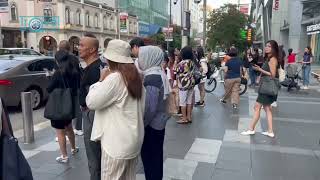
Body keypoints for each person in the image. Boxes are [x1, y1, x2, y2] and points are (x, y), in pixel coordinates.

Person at [86, 39, 145, 180]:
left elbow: (91, 102)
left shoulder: (115, 79)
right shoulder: (136, 78)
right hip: (133, 140)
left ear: (111, 59)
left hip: (116, 144)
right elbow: (142, 108)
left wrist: (100, 81)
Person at [137, 46, 170, 180]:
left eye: (141, 57)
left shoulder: (152, 78)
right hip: (159, 122)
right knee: (156, 157)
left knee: (150, 159)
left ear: (149, 58)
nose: (139, 60)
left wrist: (142, 124)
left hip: (152, 125)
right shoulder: (159, 72)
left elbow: (150, 108)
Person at [241, 40, 280, 138]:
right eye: (266, 46)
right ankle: (270, 131)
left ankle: (251, 129)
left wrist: (260, 70)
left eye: (269, 46)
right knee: (267, 109)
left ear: (273, 48)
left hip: (267, 88)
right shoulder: (269, 58)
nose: (266, 48)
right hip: (266, 87)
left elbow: (273, 74)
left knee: (257, 107)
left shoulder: (272, 59)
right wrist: (260, 72)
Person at [47, 50, 80, 163]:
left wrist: (49, 77)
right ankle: (74, 148)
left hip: (58, 105)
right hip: (69, 104)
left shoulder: (58, 73)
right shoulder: (74, 71)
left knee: (60, 132)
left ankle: (64, 156)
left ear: (57, 60)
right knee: (69, 127)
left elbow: (49, 88)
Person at [78, 34, 104, 180]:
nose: (78, 48)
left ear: (92, 49)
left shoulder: (94, 70)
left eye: (82, 45)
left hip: (91, 114)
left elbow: (95, 97)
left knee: (93, 155)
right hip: (91, 113)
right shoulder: (94, 67)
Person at [58, 40, 83, 136]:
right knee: (77, 108)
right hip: (75, 87)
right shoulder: (74, 58)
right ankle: (78, 128)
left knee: (64, 109)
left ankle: (63, 131)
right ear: (69, 48)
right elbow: (78, 72)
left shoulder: (57, 58)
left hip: (62, 88)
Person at [175, 46, 195, 124]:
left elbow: (175, 71)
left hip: (183, 84)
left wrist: (176, 62)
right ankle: (189, 117)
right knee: (189, 101)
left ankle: (184, 118)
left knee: (182, 102)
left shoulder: (182, 63)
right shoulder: (192, 62)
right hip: (191, 83)